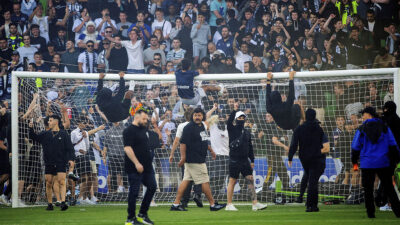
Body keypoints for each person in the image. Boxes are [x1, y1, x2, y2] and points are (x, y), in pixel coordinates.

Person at [170, 108, 226, 211]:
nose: (197, 117)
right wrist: (183, 157)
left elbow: (204, 140)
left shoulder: (202, 126)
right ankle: (213, 205)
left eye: (199, 115)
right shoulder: (188, 128)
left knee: (185, 181)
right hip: (195, 160)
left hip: (197, 159)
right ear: (192, 116)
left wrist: (211, 151)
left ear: (202, 116)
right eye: (195, 115)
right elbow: (182, 143)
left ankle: (175, 204)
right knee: (205, 181)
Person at [351, 107, 400, 218]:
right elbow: (393, 144)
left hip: (367, 163)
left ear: (369, 115)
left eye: (363, 114)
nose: (362, 117)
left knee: (368, 190)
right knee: (389, 188)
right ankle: (398, 212)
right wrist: (396, 160)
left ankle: (370, 213)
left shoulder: (361, 129)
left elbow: (355, 147)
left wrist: (354, 162)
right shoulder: (385, 127)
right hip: (383, 162)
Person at [225, 103, 267, 211]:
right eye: (240, 117)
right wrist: (234, 110)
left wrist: (252, 160)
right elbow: (229, 121)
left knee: (250, 180)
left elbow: (250, 147)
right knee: (232, 181)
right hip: (234, 159)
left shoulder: (247, 132)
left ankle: (255, 203)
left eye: (243, 117)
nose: (242, 118)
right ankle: (229, 204)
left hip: (244, 160)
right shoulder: (232, 128)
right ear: (236, 118)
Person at [28, 115, 74, 211]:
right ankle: (49, 204)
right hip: (48, 162)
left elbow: (70, 149)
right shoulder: (45, 134)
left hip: (61, 161)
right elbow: (34, 137)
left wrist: (71, 160)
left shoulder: (64, 134)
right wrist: (31, 128)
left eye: (50, 120)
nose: (48, 122)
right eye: (48, 120)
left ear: (56, 122)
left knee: (62, 181)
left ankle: (63, 202)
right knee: (48, 183)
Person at [289, 108, 330, 212]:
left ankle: (307, 202)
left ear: (305, 116)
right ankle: (312, 205)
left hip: (305, 159)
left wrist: (290, 157)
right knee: (313, 182)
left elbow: (293, 144)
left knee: (310, 179)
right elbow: (326, 147)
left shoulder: (299, 129)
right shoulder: (319, 129)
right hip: (317, 159)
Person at [123, 108, 156, 225]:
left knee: (152, 186)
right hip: (134, 167)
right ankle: (130, 219)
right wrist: (137, 163)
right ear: (136, 117)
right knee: (134, 192)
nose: (146, 120)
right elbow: (127, 148)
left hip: (147, 166)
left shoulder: (143, 128)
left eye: (146, 119)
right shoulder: (128, 131)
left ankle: (142, 214)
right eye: (143, 118)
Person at [169, 108, 203, 208]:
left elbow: (176, 141)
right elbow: (204, 139)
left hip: (186, 155)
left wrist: (172, 154)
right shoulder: (200, 125)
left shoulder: (181, 126)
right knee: (199, 176)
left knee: (186, 178)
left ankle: (184, 200)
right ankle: (197, 194)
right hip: (198, 154)